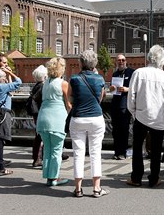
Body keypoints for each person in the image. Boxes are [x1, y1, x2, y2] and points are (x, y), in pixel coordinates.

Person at [126, 45, 164, 188]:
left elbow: (131, 96)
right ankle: (154, 178)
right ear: (163, 60)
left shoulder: (138, 73)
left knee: (137, 148)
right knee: (156, 150)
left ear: (149, 58)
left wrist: (134, 112)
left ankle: (136, 177)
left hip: (141, 115)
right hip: (159, 119)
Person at [68, 50, 109, 198]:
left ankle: (78, 189)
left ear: (81, 63)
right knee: (95, 153)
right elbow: (100, 99)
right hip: (96, 118)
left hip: (78, 118)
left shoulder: (74, 79)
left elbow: (70, 99)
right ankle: (96, 188)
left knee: (78, 153)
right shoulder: (100, 79)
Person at [37, 57, 70, 186]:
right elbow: (68, 103)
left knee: (47, 149)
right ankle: (54, 178)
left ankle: (48, 176)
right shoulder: (63, 83)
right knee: (57, 150)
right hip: (57, 118)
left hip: (43, 117)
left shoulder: (45, 83)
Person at [109, 54, 134, 160]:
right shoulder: (115, 73)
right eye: (119, 60)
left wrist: (127, 89)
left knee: (124, 129)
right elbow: (111, 89)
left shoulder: (131, 73)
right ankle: (116, 151)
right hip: (115, 105)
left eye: (123, 60)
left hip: (125, 105)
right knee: (115, 130)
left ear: (126, 61)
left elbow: (135, 87)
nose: (121, 62)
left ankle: (122, 152)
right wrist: (111, 88)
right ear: (116, 62)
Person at [29, 65, 47, 167]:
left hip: (36, 114)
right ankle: (38, 158)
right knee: (42, 136)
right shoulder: (43, 86)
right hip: (41, 112)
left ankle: (36, 157)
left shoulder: (35, 86)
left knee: (38, 136)